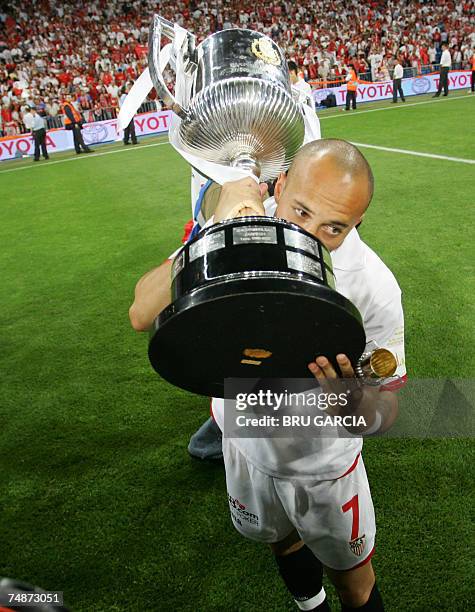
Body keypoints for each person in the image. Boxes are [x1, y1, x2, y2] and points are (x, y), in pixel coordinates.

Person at [129, 139, 406, 611]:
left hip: (322, 466)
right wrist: (211, 229)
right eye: (299, 212)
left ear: (357, 223)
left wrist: (355, 403)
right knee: (280, 541)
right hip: (243, 443)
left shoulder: (374, 286)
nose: (312, 236)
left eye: (334, 227)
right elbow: (141, 313)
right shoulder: (240, 227)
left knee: (353, 583)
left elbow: (388, 411)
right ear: (278, 186)